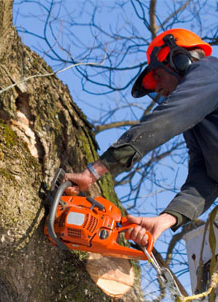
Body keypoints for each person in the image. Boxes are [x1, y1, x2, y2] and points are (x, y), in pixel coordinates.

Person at [64, 28, 218, 247]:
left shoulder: (210, 71)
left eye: (158, 76)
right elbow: (206, 178)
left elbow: (166, 119)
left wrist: (94, 171)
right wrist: (165, 220)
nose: (160, 89)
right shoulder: (200, 120)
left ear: (178, 59)